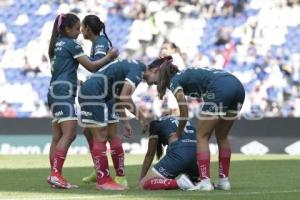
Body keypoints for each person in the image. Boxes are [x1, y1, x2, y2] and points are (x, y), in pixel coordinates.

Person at [143, 56, 245, 191]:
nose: (153, 84)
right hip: (237, 86)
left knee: (201, 137)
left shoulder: (174, 81)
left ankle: (205, 181)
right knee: (222, 137)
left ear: (157, 71)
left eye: (153, 80)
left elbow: (183, 111)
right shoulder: (184, 75)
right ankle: (223, 181)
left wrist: (178, 134)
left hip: (220, 89)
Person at [47, 13, 118, 189]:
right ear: (67, 29)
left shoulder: (56, 44)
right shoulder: (71, 44)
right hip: (64, 93)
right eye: (77, 28)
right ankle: (56, 175)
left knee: (57, 137)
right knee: (69, 134)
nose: (79, 32)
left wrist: (76, 82)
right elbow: (92, 66)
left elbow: (60, 71)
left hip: (54, 91)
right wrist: (110, 57)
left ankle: (55, 175)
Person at [78, 58, 149, 190]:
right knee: (101, 136)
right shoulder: (138, 70)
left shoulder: (131, 68)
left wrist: (125, 122)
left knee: (105, 135)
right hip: (93, 93)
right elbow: (124, 97)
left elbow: (118, 97)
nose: (154, 84)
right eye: (159, 79)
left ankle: (110, 178)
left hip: (96, 92)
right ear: (156, 70)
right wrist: (142, 118)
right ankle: (103, 180)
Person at [80, 15, 128, 187]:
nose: (80, 30)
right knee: (88, 131)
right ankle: (98, 167)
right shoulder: (98, 42)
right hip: (102, 90)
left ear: (87, 28)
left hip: (106, 94)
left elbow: (98, 66)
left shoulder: (100, 43)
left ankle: (120, 175)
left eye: (82, 27)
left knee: (110, 134)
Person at [139, 115, 198, 190]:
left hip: (179, 153)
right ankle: (194, 181)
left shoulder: (157, 123)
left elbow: (150, 155)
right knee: (191, 182)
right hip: (196, 155)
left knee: (144, 184)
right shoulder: (187, 121)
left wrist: (141, 179)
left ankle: (180, 183)